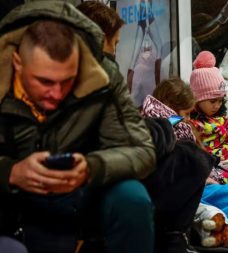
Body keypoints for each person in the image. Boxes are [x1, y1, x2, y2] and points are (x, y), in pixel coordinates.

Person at [0, 2, 155, 253]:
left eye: (67, 81)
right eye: (45, 81)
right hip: (10, 197)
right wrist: (10, 172)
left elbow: (141, 149)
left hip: (81, 192)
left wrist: (91, 167)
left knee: (131, 197)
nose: (57, 94)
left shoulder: (101, 73)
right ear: (17, 63)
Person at [127, 0, 163, 108]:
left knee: (134, 57)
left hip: (144, 19)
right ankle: (157, 88)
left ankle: (129, 93)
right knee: (159, 48)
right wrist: (147, 23)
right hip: (146, 19)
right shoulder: (143, 6)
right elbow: (145, 5)